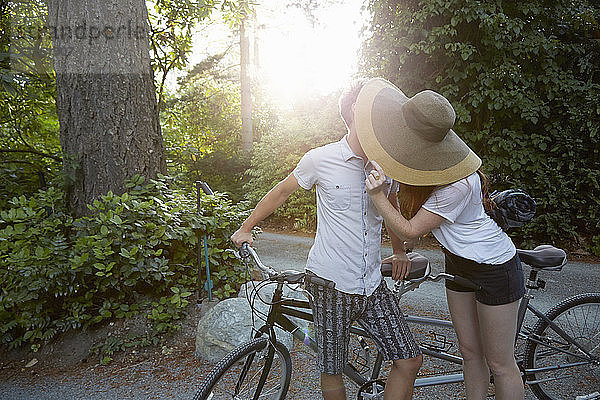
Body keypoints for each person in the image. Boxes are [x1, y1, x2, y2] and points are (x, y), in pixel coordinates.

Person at [231, 79, 422, 400]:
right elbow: (281, 191)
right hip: (330, 285)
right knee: (332, 369)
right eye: (370, 108)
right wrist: (246, 227)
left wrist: (400, 251)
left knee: (409, 359)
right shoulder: (320, 159)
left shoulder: (385, 165)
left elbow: (387, 212)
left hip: (373, 285)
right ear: (353, 113)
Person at [356, 78, 525, 399]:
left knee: (500, 363)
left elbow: (409, 231)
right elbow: (406, 240)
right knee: (469, 352)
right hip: (459, 265)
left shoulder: (458, 185)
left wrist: (377, 195)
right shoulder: (427, 172)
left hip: (496, 270)